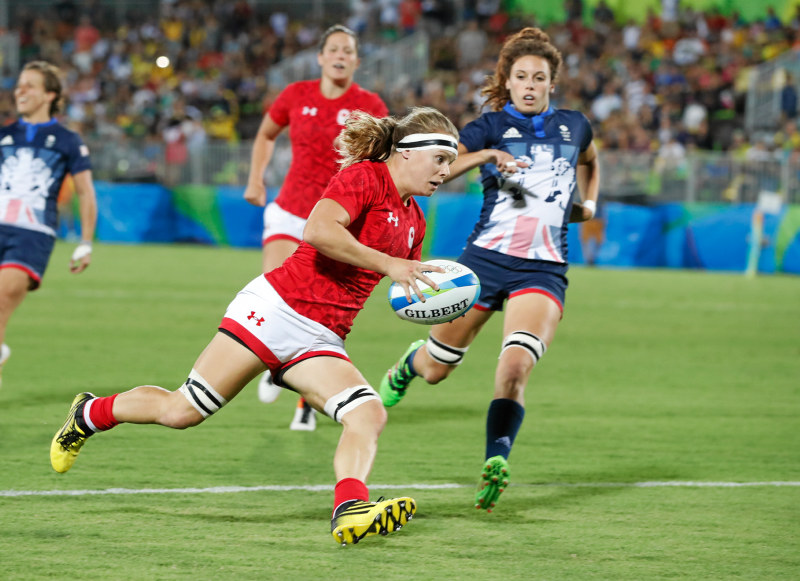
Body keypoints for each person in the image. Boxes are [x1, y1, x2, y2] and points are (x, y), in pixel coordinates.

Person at [50, 106, 460, 546]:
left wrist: (436, 301)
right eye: (440, 159)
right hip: (275, 310)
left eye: (450, 162)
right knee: (182, 411)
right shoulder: (365, 178)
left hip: (321, 337)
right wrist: (390, 263)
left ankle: (350, 509)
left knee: (368, 413)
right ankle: (88, 413)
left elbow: (401, 285)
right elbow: (318, 230)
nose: (446, 171)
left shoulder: (415, 220)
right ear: (406, 151)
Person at [378, 27, 600, 512]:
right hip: (482, 264)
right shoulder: (489, 127)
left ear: (551, 83)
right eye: (521, 76)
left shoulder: (575, 126)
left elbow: (589, 160)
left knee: (515, 367)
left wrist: (589, 203)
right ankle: (410, 365)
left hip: (543, 270)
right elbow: (442, 167)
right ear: (508, 80)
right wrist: (485, 155)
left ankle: (495, 459)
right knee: (436, 370)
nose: (529, 85)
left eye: (538, 77)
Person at [244, 24, 388, 431]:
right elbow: (266, 134)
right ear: (321, 57)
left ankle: (305, 398)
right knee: (273, 294)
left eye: (348, 50)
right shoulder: (296, 95)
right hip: (290, 209)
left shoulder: (369, 105)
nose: (341, 55)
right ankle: (277, 367)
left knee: (319, 311)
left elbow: (382, 161)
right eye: (334, 49)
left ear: (356, 61)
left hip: (337, 219)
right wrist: (256, 179)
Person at [0, 61, 97, 386]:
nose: (20, 91)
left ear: (50, 94)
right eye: (19, 85)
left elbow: (85, 192)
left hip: (32, 233)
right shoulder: (4, 135)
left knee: (3, 297)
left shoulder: (68, 140)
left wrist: (85, 242)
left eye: (30, 85)